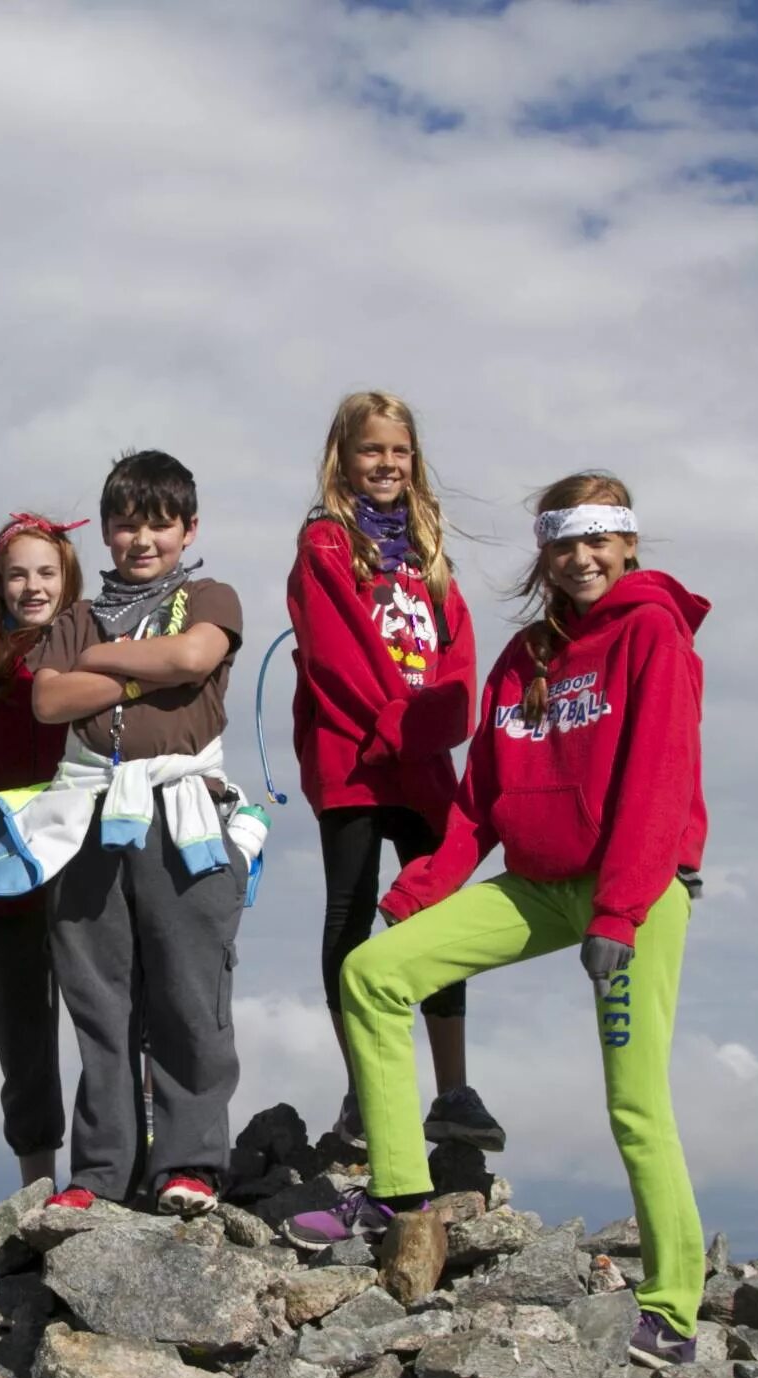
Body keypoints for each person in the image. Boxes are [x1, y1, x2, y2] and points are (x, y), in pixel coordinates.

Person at [310, 473, 712, 1370]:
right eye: (564, 544)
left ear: (629, 544)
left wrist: (617, 911)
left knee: (635, 1103)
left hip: (635, 890)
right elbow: (482, 799)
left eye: (598, 540)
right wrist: (420, 892)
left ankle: (674, 1307)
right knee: (372, 974)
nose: (580, 559)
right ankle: (402, 1197)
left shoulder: (654, 634)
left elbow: (660, 777)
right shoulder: (526, 654)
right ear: (545, 553)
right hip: (537, 883)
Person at [0, 448, 252, 1218]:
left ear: (189, 528)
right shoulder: (74, 617)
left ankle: (192, 1163)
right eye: (125, 524)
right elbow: (50, 699)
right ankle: (104, 1170)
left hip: (183, 814)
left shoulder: (210, 595)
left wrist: (109, 663)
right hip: (87, 817)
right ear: (107, 532)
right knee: (98, 998)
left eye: (159, 524)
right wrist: (154, 671)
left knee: (189, 990)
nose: (141, 540)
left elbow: (194, 653)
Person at [285, 391, 499, 1156]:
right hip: (352, 757)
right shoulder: (326, 546)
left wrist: (435, 729)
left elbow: (458, 660)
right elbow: (334, 651)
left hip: (421, 761)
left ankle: (452, 1089)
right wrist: (391, 727)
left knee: (437, 913)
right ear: (343, 458)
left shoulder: (429, 558)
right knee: (350, 908)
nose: (386, 464)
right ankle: (362, 1087)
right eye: (371, 450)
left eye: (399, 451)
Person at [0, 513, 87, 1190]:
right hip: (10, 874)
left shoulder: (96, 645)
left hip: (87, 865)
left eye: (46, 573)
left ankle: (116, 1176)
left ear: (68, 577)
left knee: (106, 1017)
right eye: (17, 574)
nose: (33, 587)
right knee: (24, 1036)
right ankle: (37, 1189)